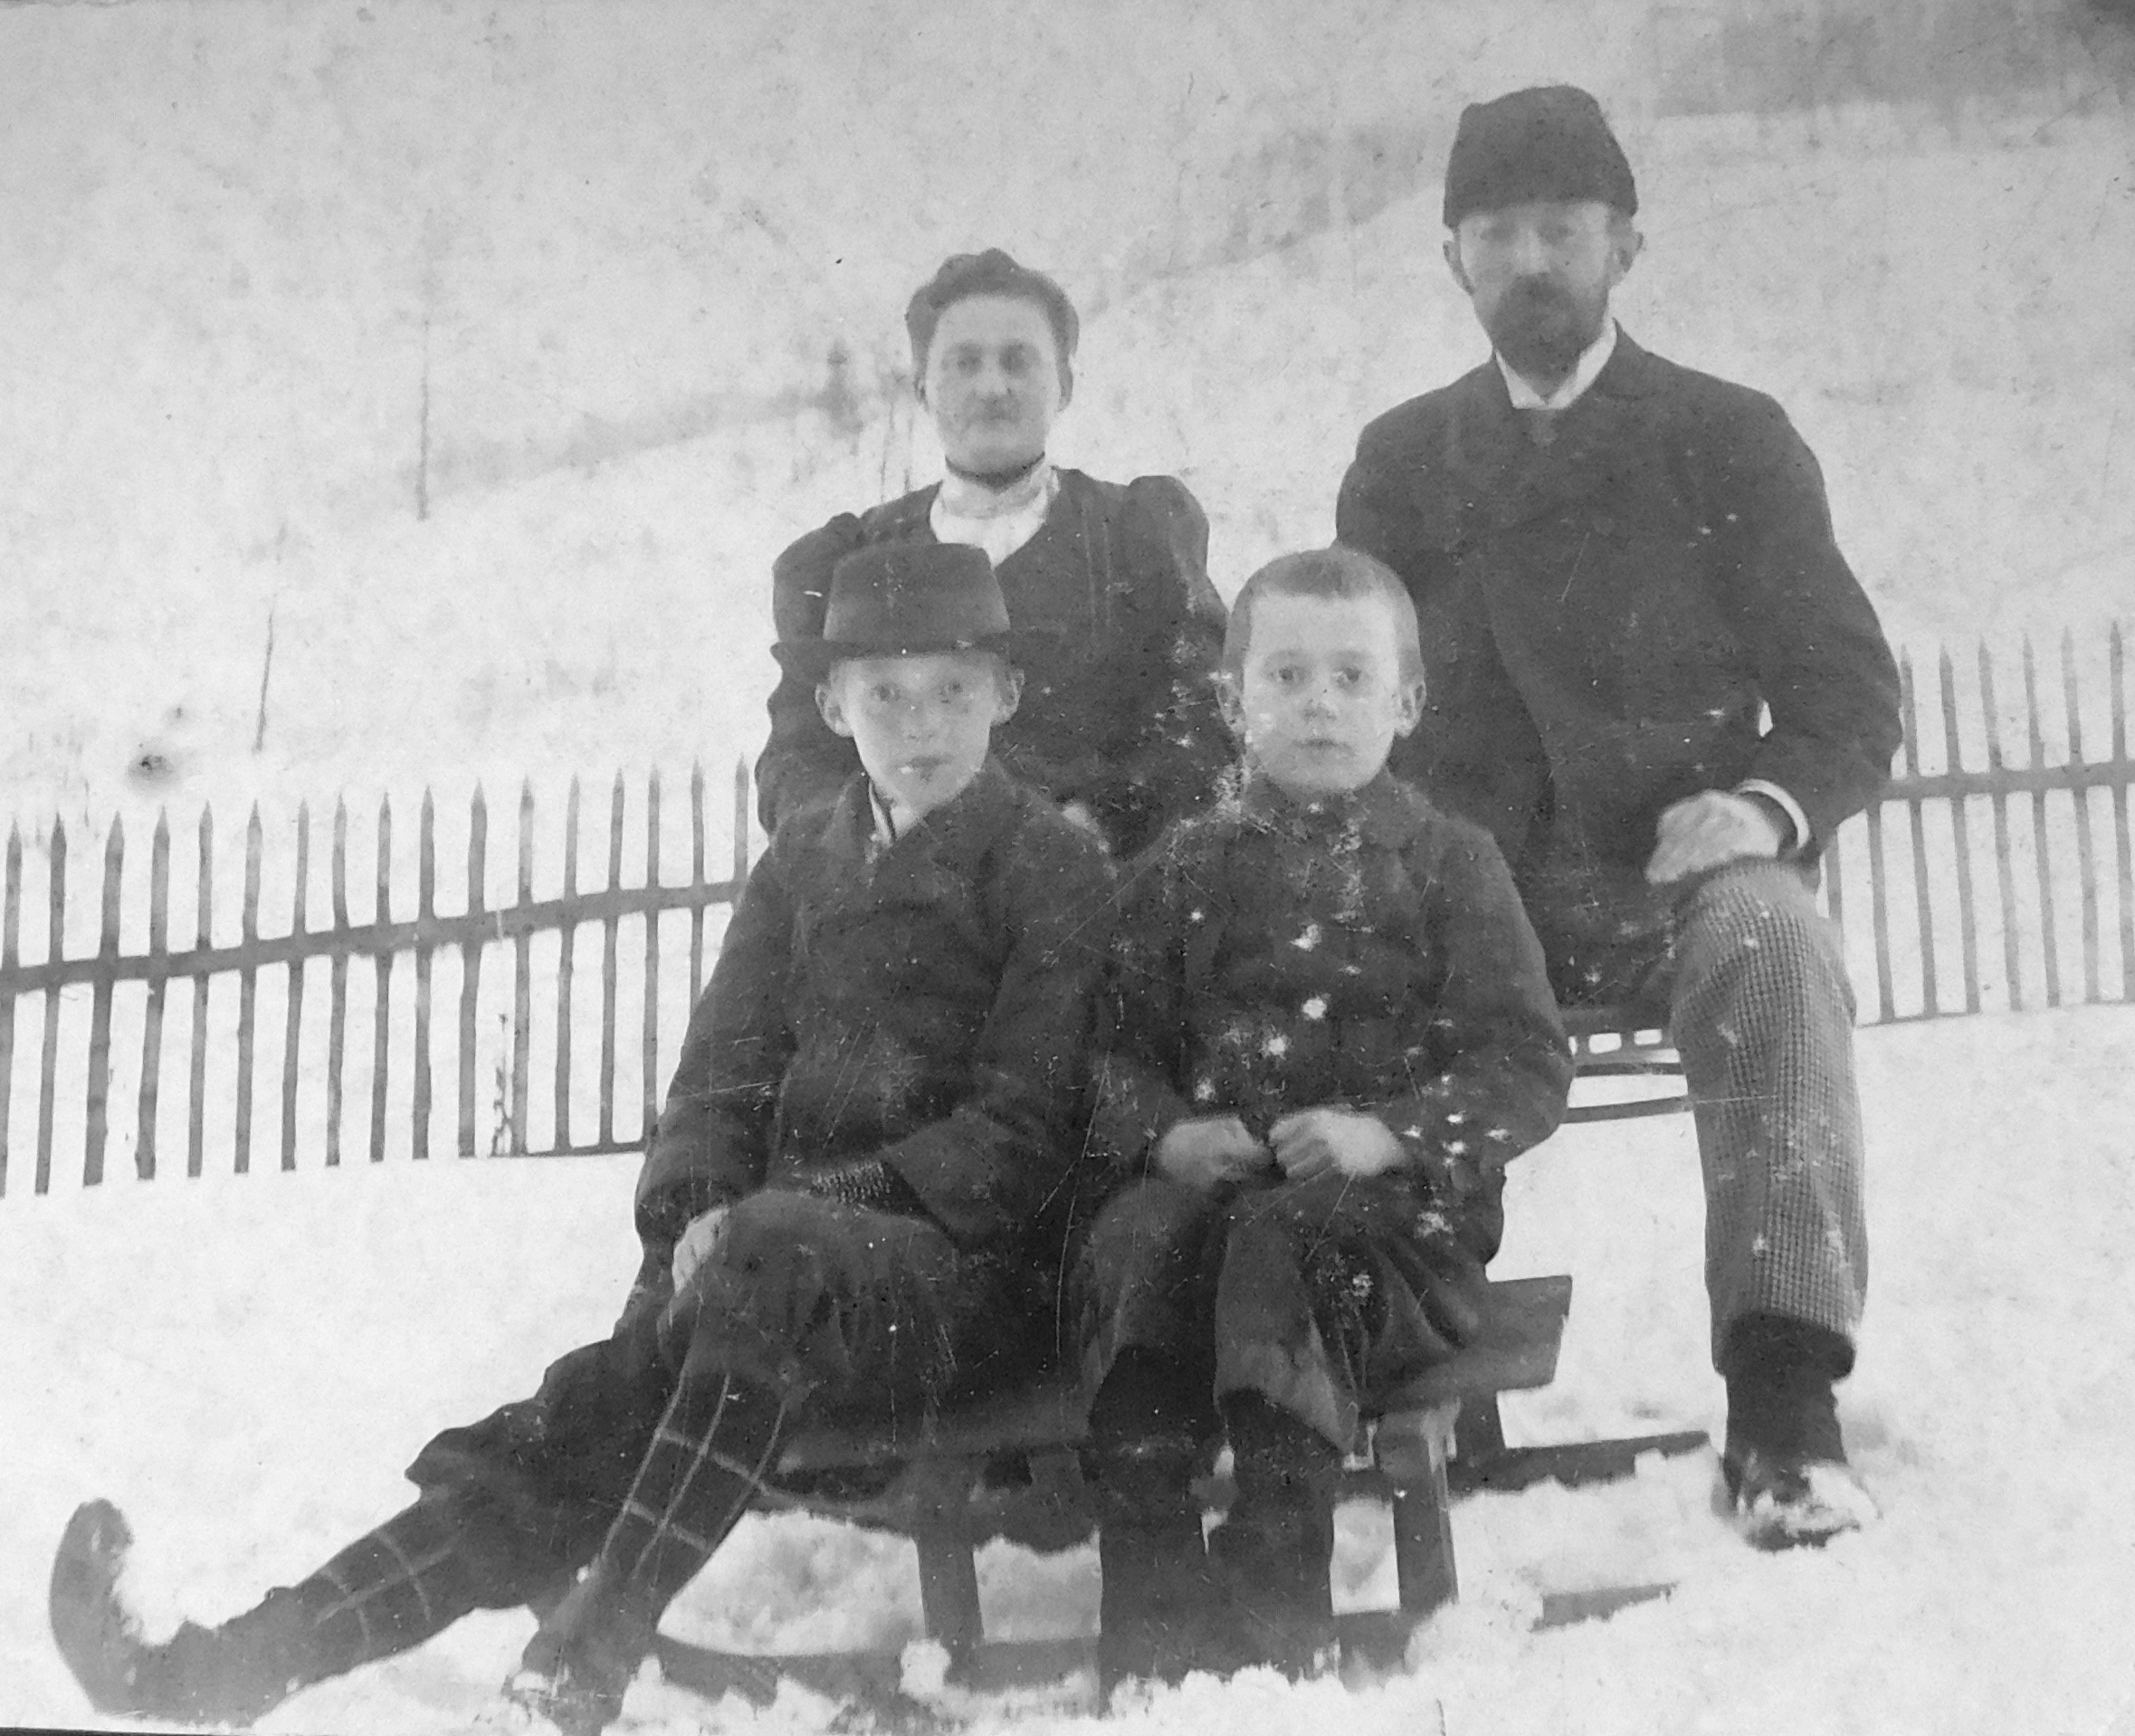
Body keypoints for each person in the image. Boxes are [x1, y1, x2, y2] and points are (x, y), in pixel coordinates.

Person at [48, 542, 1115, 1736]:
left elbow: (1021, 1133)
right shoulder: (803, 863)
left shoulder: (1051, 867)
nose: (920, 724)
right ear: (831, 706)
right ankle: (226, 1666)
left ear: (1006, 694)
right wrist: (692, 1221)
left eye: (953, 690)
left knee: (761, 1265)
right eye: (887, 692)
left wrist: (779, 1223)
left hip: (961, 1292)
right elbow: (717, 1080)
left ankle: (576, 1667)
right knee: (566, 1430)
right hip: (763, 1282)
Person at [1334, 85, 1902, 1549]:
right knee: (1333, 960)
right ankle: (1384, 1384)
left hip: (1669, 874)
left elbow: (1845, 689)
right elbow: (1358, 687)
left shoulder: (1725, 437)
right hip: (1473, 890)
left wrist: (1761, 804)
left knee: (1772, 938)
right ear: (1452, 260)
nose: (1531, 262)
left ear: (1625, 247)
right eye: (1498, 234)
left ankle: (1784, 1407)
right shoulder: (1402, 461)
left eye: (1563, 230)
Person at [1072, 548, 1573, 1690]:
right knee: (1133, 1239)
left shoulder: (1450, 864)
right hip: (1212, 1223)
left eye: (1353, 678)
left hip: (1397, 1245)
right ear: (1232, 702)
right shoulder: (1180, 868)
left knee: (1286, 1240)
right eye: (1287, 676)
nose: (1319, 705)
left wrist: (1388, 1131)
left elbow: (1527, 1064)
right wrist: (1164, 1134)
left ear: (1407, 703)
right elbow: (1107, 1055)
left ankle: (1274, 1608)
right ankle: (1150, 1609)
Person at [758, 247, 1231, 861]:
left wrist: (1094, 826)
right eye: (963, 363)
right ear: (922, 387)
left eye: (1018, 360)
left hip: (1098, 887)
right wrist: (876, 843)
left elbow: (1203, 727)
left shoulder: (1135, 535)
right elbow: (796, 760)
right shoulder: (850, 559)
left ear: (1064, 386)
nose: (991, 387)